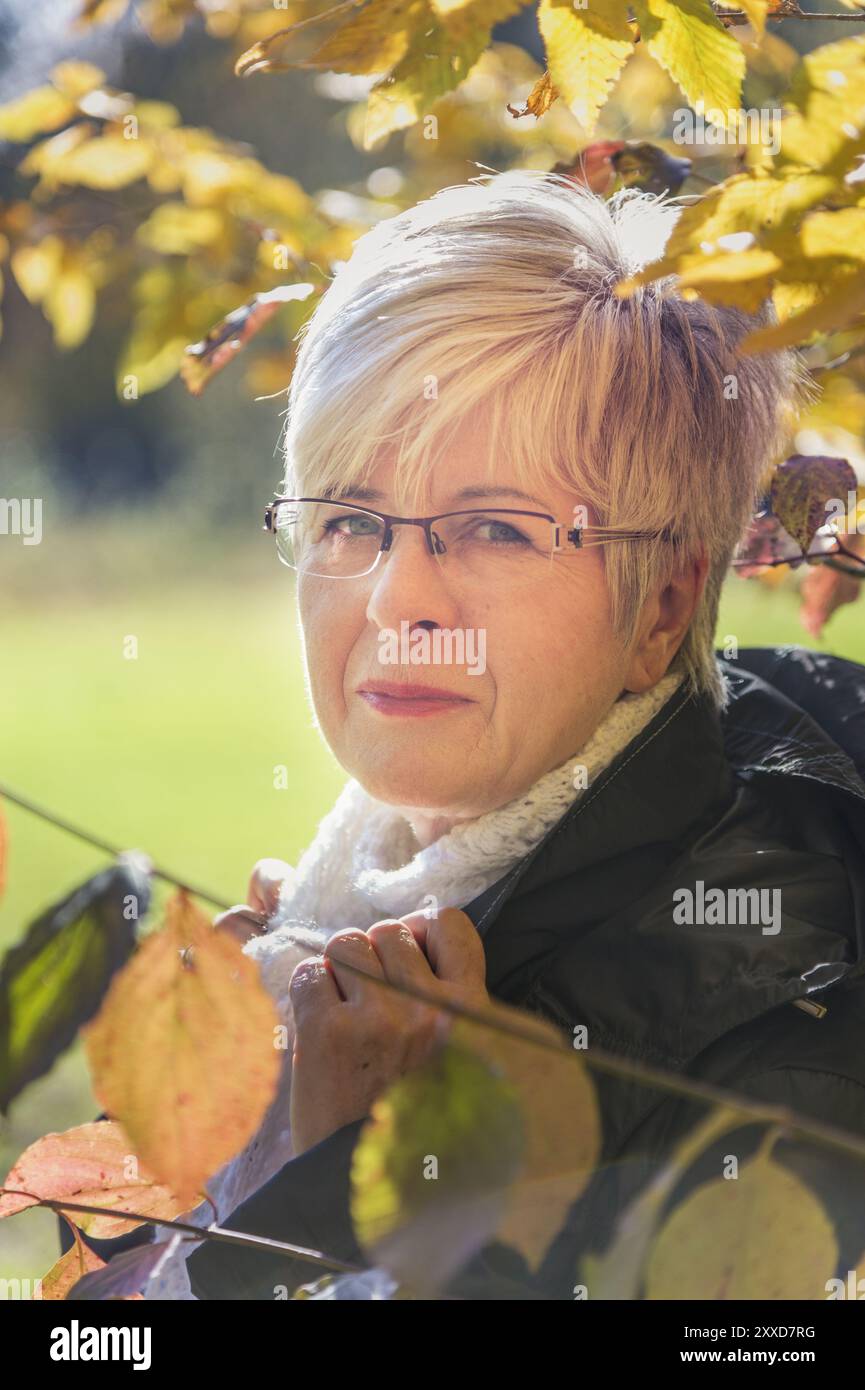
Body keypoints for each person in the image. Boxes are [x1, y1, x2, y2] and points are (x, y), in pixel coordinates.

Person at [60, 170, 865, 1299]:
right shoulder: (338, 907)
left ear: (664, 608)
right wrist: (204, 1136)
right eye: (349, 517)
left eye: (492, 526)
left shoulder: (765, 1034)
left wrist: (335, 1198)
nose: (395, 599)